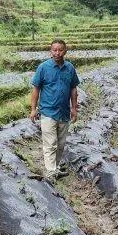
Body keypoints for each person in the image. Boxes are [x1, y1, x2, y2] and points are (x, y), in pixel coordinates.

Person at [30, 39, 80, 181]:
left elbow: (73, 88)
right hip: (48, 111)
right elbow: (36, 89)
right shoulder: (43, 68)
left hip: (64, 112)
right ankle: (51, 172)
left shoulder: (70, 68)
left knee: (61, 144)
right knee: (50, 143)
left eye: (60, 50)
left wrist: (74, 108)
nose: (57, 53)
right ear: (50, 51)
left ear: (65, 51)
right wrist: (33, 109)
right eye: (54, 50)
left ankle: (56, 168)